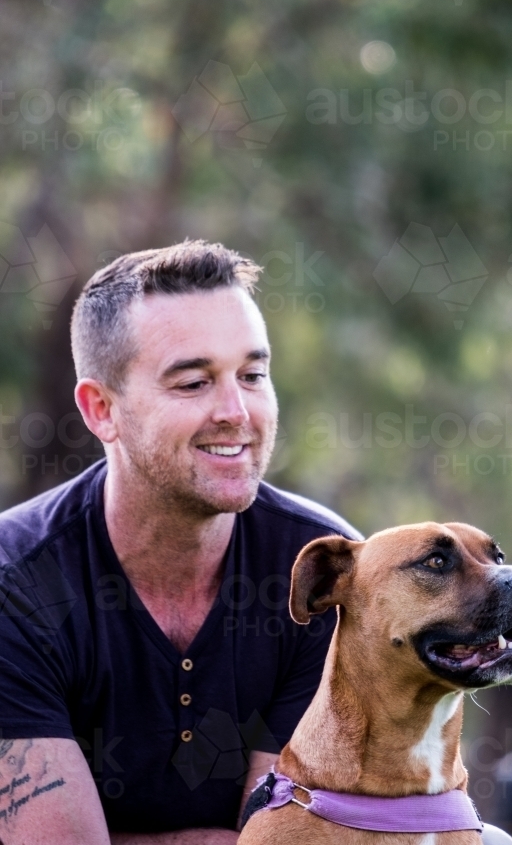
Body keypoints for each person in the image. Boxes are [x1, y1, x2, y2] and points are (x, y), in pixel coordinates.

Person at [0, 240, 362, 844]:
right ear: (100, 410)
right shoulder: (17, 584)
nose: (236, 412)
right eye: (193, 383)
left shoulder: (321, 571)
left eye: (252, 376)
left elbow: (293, 840)